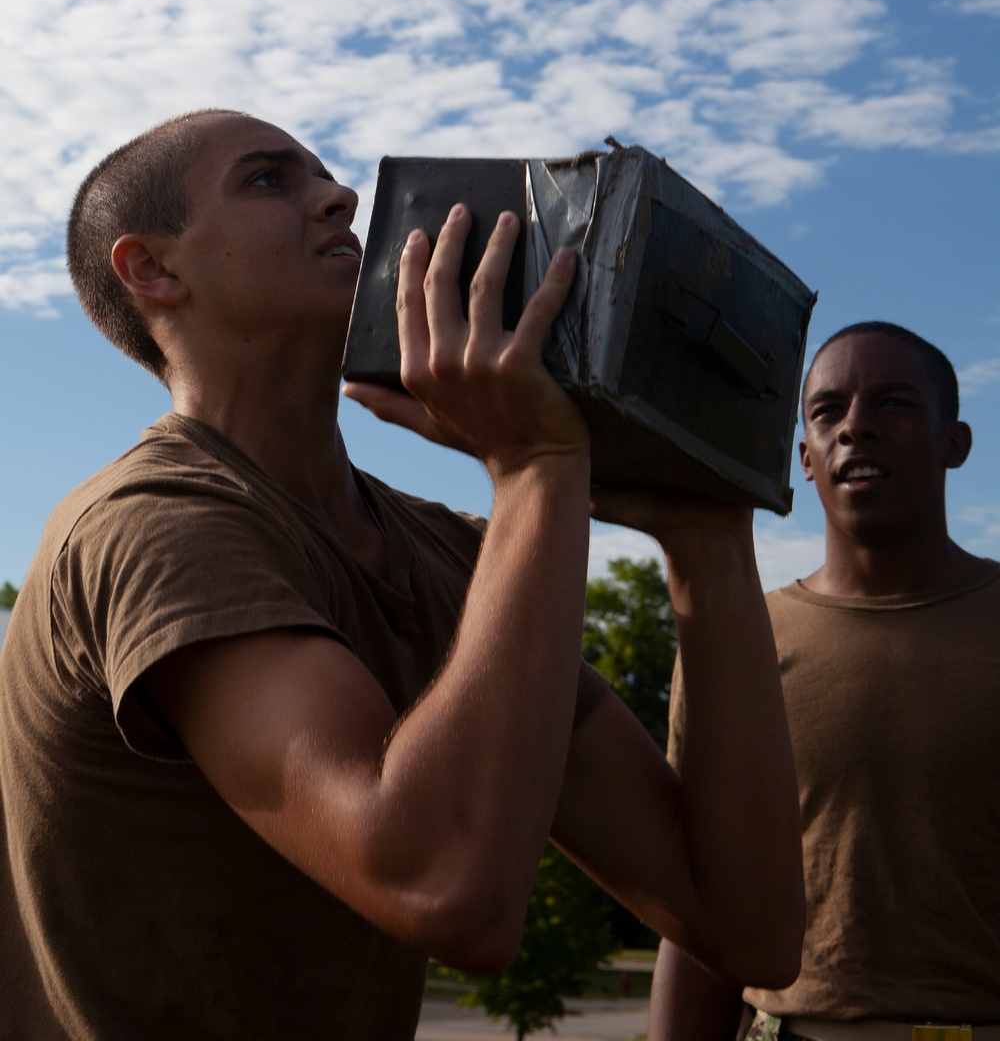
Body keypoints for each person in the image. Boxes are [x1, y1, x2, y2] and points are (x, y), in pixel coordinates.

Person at [0, 110, 804, 1041]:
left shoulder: (453, 557)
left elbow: (749, 929)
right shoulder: (151, 526)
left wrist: (710, 548)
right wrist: (539, 465)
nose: (339, 197)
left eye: (325, 177)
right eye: (269, 180)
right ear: (153, 269)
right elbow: (444, 885)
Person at [648, 321, 1000, 1041]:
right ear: (804, 457)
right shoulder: (736, 639)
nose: (856, 429)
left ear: (955, 443)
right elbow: (698, 899)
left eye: (895, 404)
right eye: (828, 410)